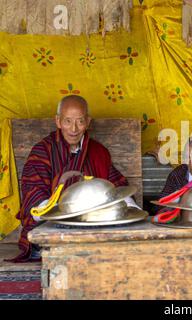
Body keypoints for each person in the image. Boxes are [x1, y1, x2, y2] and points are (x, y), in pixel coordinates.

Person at [9, 95, 138, 262]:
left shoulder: (98, 151)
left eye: (80, 121)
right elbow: (34, 193)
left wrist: (131, 209)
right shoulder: (43, 151)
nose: (74, 129)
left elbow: (115, 186)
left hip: (91, 224)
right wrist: (67, 214)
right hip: (52, 226)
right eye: (68, 121)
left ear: (88, 122)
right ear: (58, 121)